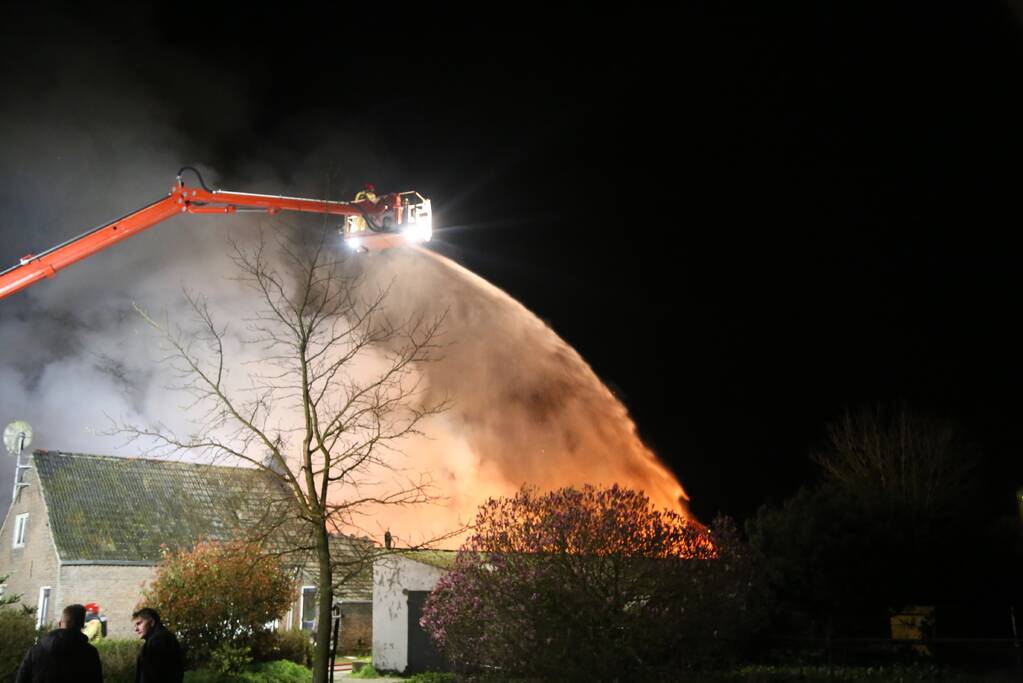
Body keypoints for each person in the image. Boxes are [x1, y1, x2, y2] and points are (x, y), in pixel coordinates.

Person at [15, 604, 103, 683]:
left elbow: (21, 679)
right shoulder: (90, 654)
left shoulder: (35, 651)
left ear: (60, 623)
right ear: (82, 625)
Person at [132, 607, 184, 683]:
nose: (136, 629)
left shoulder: (157, 640)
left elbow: (153, 675)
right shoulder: (164, 637)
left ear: (152, 622)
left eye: (139, 623)